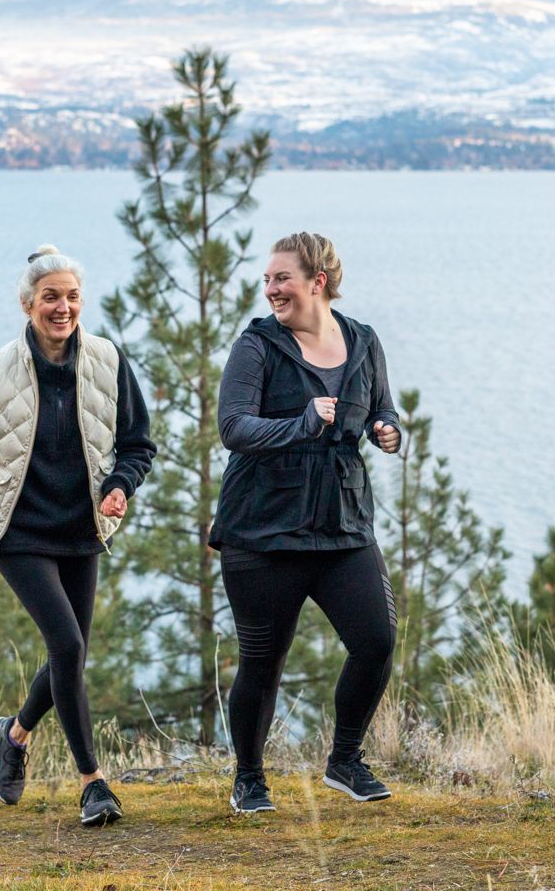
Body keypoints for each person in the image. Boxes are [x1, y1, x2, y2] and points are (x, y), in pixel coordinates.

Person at [0, 244, 155, 827]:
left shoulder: (108, 362)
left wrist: (120, 484)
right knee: (67, 647)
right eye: (50, 297)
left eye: (72, 296)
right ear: (29, 304)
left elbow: (138, 445)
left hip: (82, 529)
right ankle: (93, 783)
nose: (63, 307)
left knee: (71, 656)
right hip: (18, 532)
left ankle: (13, 735)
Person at [210, 232, 402, 814]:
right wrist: (300, 424)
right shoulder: (258, 347)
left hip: (342, 523)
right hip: (263, 528)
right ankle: (249, 778)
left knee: (376, 641)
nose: (270, 290)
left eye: (281, 279)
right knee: (263, 662)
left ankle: (345, 761)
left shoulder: (364, 342)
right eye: (267, 280)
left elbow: (382, 406)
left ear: (317, 281)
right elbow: (234, 428)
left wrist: (387, 430)